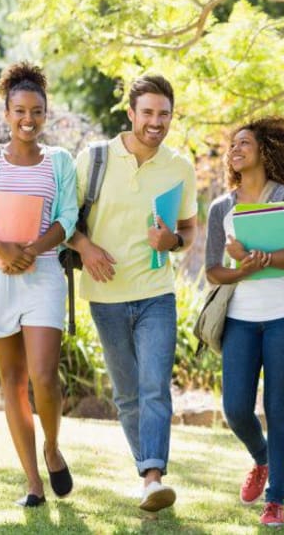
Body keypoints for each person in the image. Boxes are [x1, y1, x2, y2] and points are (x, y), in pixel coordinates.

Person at [67, 74, 197, 512]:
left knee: (155, 386)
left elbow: (188, 229)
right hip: (106, 297)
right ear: (131, 113)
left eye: (164, 114)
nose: (156, 122)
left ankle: (153, 477)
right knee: (127, 393)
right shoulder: (96, 158)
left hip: (157, 293)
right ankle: (148, 475)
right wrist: (85, 248)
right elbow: (64, 220)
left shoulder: (179, 165)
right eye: (148, 113)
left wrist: (173, 243)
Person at [0, 62, 77, 507]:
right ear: (6, 112)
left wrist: (29, 248)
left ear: (46, 113)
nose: (29, 120)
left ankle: (51, 446)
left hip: (43, 273)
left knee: (44, 376)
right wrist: (2, 249)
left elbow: (67, 218)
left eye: (37, 112)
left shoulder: (60, 161)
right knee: (12, 379)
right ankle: (32, 482)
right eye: (20, 111)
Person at [205, 116, 284, 528]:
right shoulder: (220, 208)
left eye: (245, 142)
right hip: (241, 320)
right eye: (233, 144)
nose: (236, 148)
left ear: (265, 150)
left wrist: (260, 257)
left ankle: (276, 498)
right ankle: (262, 457)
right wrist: (242, 268)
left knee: (278, 407)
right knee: (234, 408)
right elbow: (215, 270)